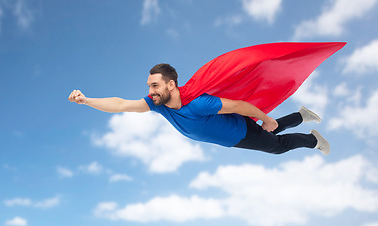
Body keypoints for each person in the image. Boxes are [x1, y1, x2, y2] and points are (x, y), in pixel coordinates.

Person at [68, 63, 330, 155]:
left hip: (240, 132)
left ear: (171, 84)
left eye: (155, 85)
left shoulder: (198, 103)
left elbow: (238, 105)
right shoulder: (158, 106)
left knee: (277, 146)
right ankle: (301, 115)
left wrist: (264, 117)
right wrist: (87, 100)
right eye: (149, 86)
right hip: (235, 136)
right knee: (270, 131)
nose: (151, 91)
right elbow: (121, 104)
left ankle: (312, 140)